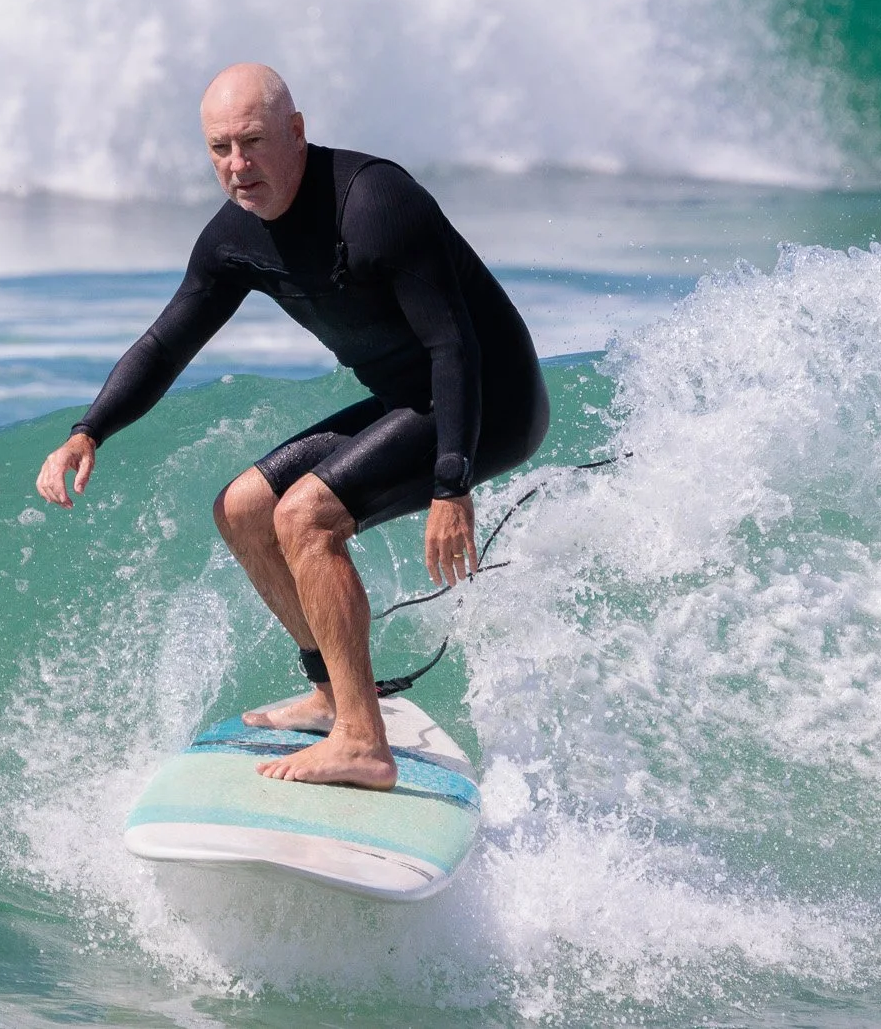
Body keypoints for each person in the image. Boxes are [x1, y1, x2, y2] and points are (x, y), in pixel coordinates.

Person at [34, 64, 548, 788]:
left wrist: (451, 481)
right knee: (244, 508)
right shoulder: (234, 238)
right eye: (219, 149)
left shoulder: (375, 203)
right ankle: (335, 697)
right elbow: (165, 342)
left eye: (251, 142)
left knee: (306, 515)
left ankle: (364, 742)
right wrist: (90, 430)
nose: (237, 166)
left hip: (491, 402)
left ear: (297, 133)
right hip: (413, 400)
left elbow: (451, 346)